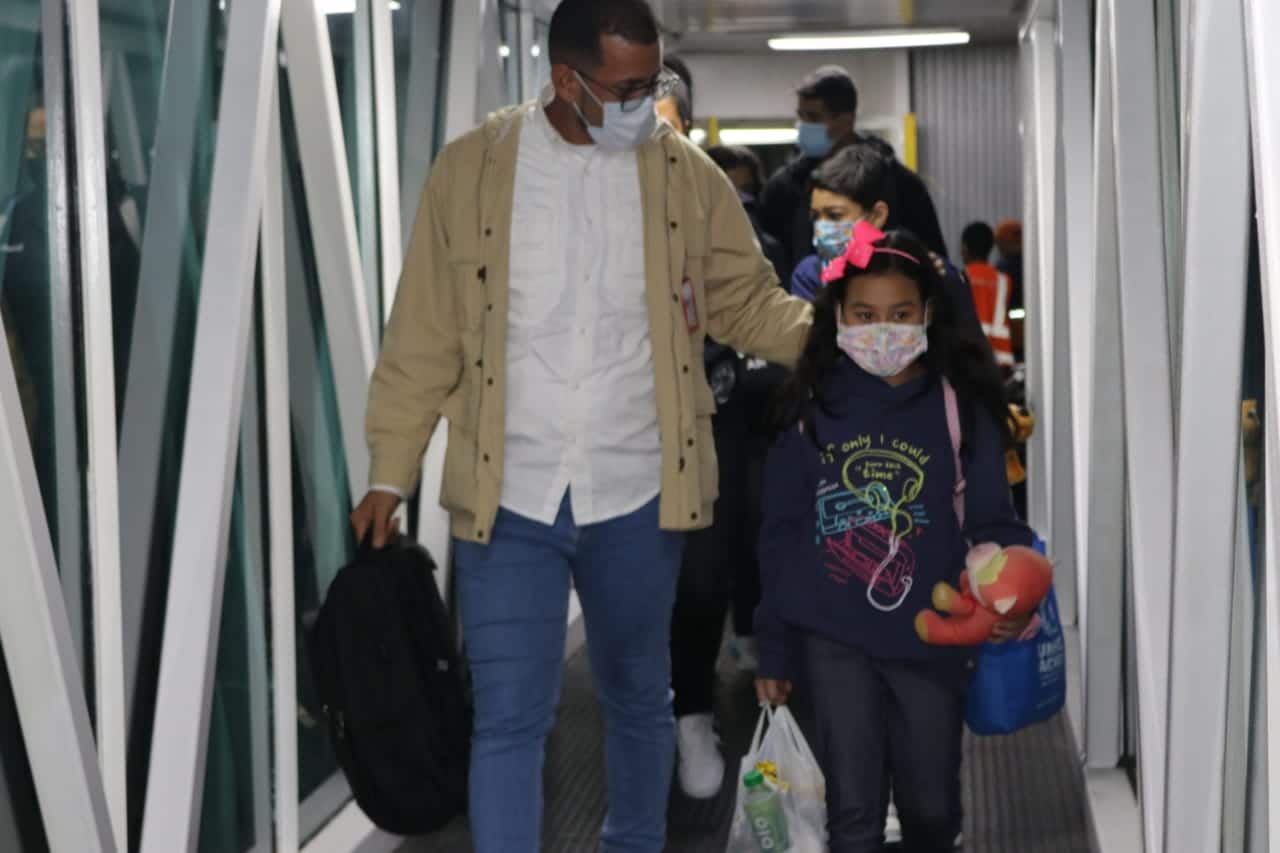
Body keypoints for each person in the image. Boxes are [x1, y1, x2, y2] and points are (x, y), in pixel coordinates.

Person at [351, 0, 813, 849]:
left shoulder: (684, 176)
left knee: (638, 696)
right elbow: (424, 333)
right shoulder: (471, 170)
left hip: (638, 486)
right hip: (511, 492)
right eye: (630, 87)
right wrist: (391, 468)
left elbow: (746, 303)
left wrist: (843, 339)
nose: (649, 103)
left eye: (657, 81)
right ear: (566, 79)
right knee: (508, 716)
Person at [754, 226, 1033, 853]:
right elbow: (780, 538)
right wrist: (773, 650)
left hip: (931, 636)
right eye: (865, 315)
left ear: (928, 315)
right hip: (833, 639)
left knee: (931, 809)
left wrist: (1013, 596)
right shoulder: (809, 409)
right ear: (838, 318)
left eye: (900, 314)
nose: (884, 331)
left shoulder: (961, 409)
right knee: (851, 815)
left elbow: (995, 524)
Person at [759, 65, 948, 272]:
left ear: (846, 120)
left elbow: (933, 261)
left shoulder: (899, 184)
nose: (803, 125)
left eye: (813, 117)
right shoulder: (784, 187)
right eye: (801, 116)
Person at [960, 221, 1015, 370]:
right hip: (1000, 359)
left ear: (964, 248)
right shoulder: (1004, 280)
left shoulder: (960, 278)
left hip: (970, 359)